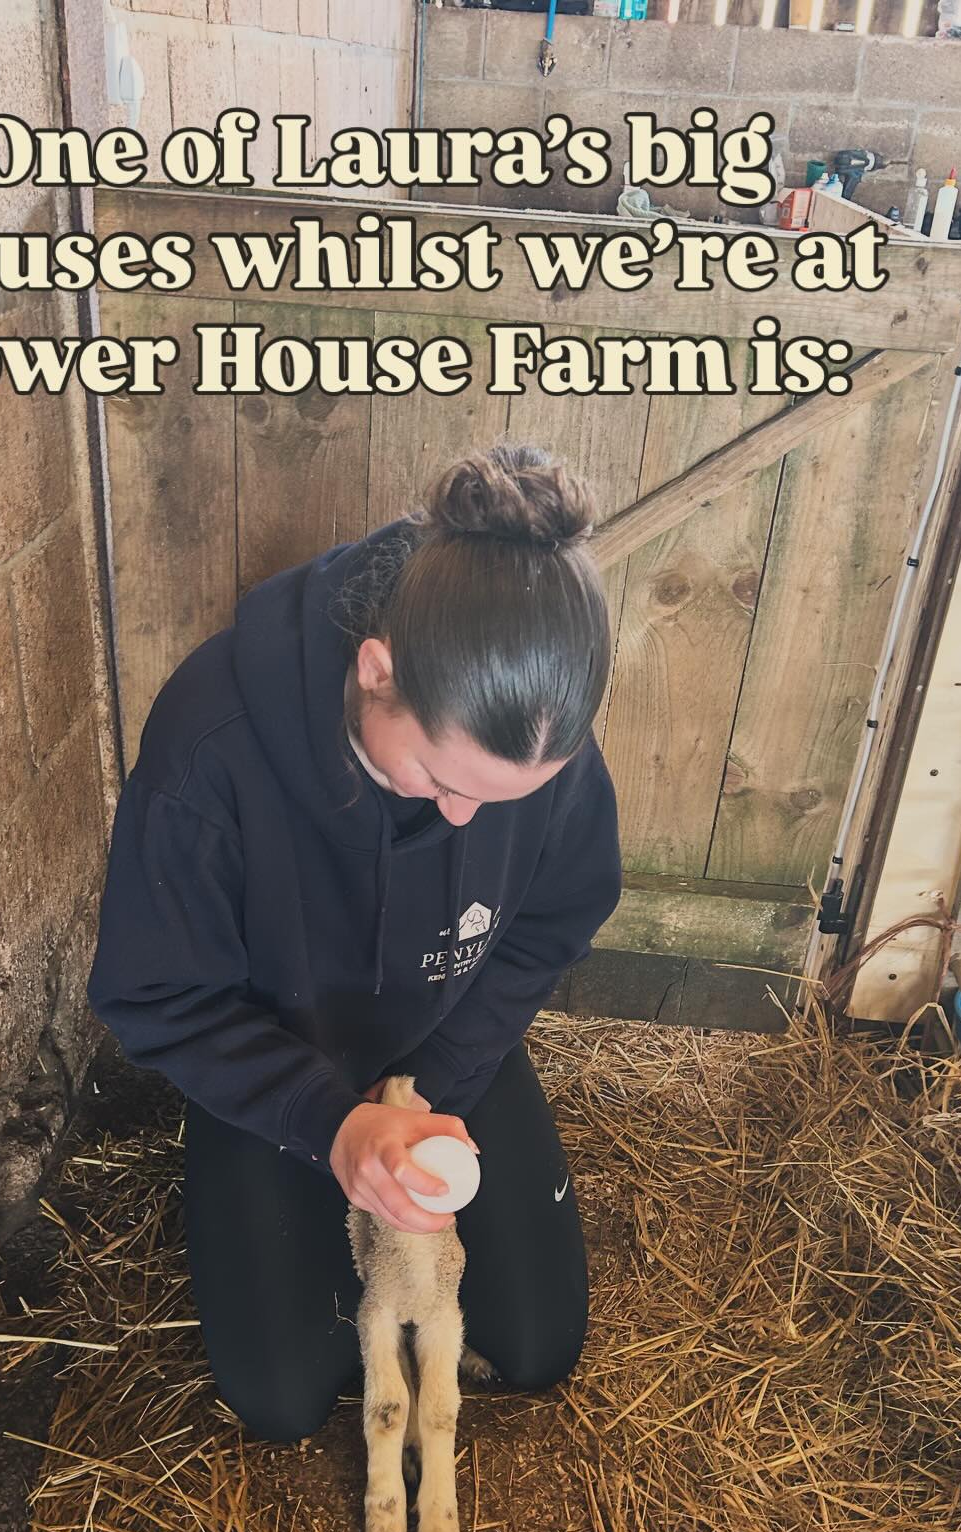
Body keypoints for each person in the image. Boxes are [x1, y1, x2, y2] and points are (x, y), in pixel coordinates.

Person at [87, 443, 623, 1442]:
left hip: (442, 1045)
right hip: (277, 1066)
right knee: (285, 1396)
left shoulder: (544, 740)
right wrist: (330, 1123)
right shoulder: (213, 745)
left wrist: (430, 1088)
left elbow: (555, 914)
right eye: (439, 776)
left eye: (507, 797)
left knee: (540, 1346)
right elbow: (157, 996)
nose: (468, 820)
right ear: (377, 673)